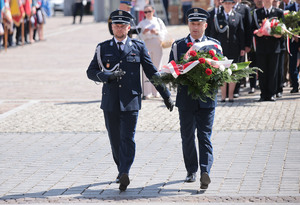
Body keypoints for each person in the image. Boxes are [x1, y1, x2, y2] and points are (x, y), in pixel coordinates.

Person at [86, 9, 174, 191]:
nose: (119, 29)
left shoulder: (138, 47)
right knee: (115, 139)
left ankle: (125, 171)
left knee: (128, 137)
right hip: (110, 100)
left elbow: (152, 72)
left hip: (130, 99)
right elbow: (90, 71)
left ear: (128, 28)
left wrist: (165, 95)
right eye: (115, 25)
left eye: (122, 26)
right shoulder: (103, 47)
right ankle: (121, 168)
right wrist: (105, 76)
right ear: (112, 27)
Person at [169, 7, 222, 189]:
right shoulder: (178, 45)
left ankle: (205, 171)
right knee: (187, 137)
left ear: (205, 25)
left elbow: (221, 71)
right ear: (188, 24)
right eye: (193, 23)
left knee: (204, 136)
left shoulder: (214, 45)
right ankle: (191, 170)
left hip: (207, 99)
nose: (196, 27)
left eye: (199, 24)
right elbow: (172, 70)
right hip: (186, 99)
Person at [211, 0, 245, 102]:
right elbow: (214, 33)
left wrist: (242, 48)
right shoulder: (218, 16)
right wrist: (213, 48)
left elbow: (241, 33)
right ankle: (223, 96)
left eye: (230, 3)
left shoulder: (238, 16)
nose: (228, 5)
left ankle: (231, 96)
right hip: (221, 48)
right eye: (226, 3)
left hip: (235, 47)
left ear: (233, 4)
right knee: (222, 70)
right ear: (222, 4)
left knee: (233, 71)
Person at [252, 0, 284, 101]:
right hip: (261, 47)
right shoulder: (257, 12)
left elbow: (282, 28)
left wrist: (278, 33)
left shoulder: (278, 12)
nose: (266, 1)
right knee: (262, 71)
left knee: (273, 71)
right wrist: (257, 32)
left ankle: (271, 93)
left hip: (274, 47)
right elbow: (253, 27)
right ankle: (263, 94)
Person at [138, 5, 167, 99]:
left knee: (157, 67)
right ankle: (147, 92)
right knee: (146, 68)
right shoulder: (142, 23)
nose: (147, 14)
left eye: (149, 11)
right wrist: (144, 33)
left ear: (153, 11)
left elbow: (165, 32)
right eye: (145, 12)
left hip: (157, 44)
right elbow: (138, 36)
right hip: (146, 44)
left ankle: (157, 91)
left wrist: (157, 32)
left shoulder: (158, 21)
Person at [232, 0, 252, 98]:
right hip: (229, 44)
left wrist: (248, 44)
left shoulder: (245, 9)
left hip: (241, 43)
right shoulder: (227, 7)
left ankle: (236, 89)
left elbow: (248, 27)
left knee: (238, 66)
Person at [286, 0, 300, 93]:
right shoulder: (289, 9)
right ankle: (295, 85)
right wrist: (293, 34)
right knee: (292, 65)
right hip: (293, 41)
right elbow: (286, 25)